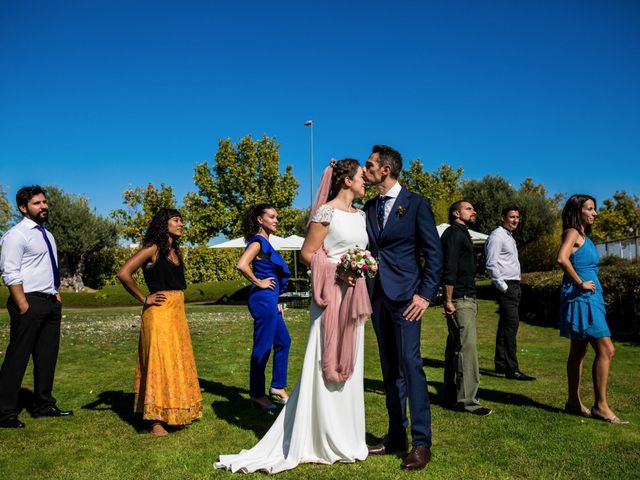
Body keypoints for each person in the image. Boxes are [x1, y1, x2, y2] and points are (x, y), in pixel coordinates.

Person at [215, 158, 370, 474]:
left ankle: (348, 435)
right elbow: (308, 254)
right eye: (361, 176)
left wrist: (364, 264)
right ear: (346, 181)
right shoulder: (325, 212)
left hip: (356, 297)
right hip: (331, 295)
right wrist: (341, 270)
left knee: (353, 360)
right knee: (323, 359)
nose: (365, 180)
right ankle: (318, 433)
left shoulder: (363, 215)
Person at [363, 145, 443, 471]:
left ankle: (421, 442)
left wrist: (425, 295)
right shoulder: (368, 207)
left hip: (408, 299)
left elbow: (434, 254)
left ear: (385, 170)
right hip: (377, 297)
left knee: (411, 367)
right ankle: (396, 434)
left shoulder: (416, 204)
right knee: (389, 371)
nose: (364, 170)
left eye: (369, 165)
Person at [117, 208, 202, 436]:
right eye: (176, 220)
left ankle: (173, 413)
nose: (181, 224)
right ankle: (155, 421)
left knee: (175, 362)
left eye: (181, 220)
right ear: (164, 224)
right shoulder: (152, 249)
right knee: (158, 363)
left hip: (176, 314)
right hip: (159, 313)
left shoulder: (175, 251)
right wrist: (144, 298)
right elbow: (123, 272)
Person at [0, 185, 73, 429]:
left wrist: (57, 294)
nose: (43, 206)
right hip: (28, 302)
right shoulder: (16, 235)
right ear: (23, 208)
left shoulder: (47, 234)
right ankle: (5, 413)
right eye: (37, 203)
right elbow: (10, 272)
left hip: (50, 302)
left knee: (46, 357)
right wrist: (23, 304)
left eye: (44, 202)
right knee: (17, 358)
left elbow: (46, 267)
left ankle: (44, 405)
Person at [556, 194, 627, 424]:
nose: (595, 213)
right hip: (582, 298)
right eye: (590, 209)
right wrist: (580, 283)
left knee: (578, 351)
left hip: (589, 298)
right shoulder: (573, 232)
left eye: (594, 209)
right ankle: (601, 407)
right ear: (578, 212)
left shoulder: (584, 236)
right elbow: (561, 258)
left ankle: (573, 402)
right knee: (606, 350)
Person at [236, 204, 291, 410]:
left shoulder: (267, 242)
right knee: (262, 347)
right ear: (260, 219)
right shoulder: (258, 242)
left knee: (284, 341)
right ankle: (257, 394)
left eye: (277, 217)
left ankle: (277, 387)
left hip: (270, 300)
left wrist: (276, 302)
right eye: (272, 216)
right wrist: (258, 282)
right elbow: (242, 264)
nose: (276, 220)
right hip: (262, 298)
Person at [441, 201, 492, 416]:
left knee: (456, 346)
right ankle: (468, 401)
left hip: (466, 297)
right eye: (469, 208)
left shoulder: (462, 234)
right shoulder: (453, 234)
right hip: (460, 298)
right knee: (466, 349)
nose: (474, 211)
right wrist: (448, 299)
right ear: (456, 213)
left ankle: (452, 395)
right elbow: (449, 267)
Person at [484, 207, 535, 381]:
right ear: (502, 217)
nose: (515, 220)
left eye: (517, 217)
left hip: (513, 284)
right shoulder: (497, 236)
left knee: (504, 326)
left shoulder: (508, 237)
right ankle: (512, 369)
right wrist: (503, 287)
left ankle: (501, 364)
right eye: (512, 217)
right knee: (511, 327)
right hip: (506, 286)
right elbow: (491, 264)